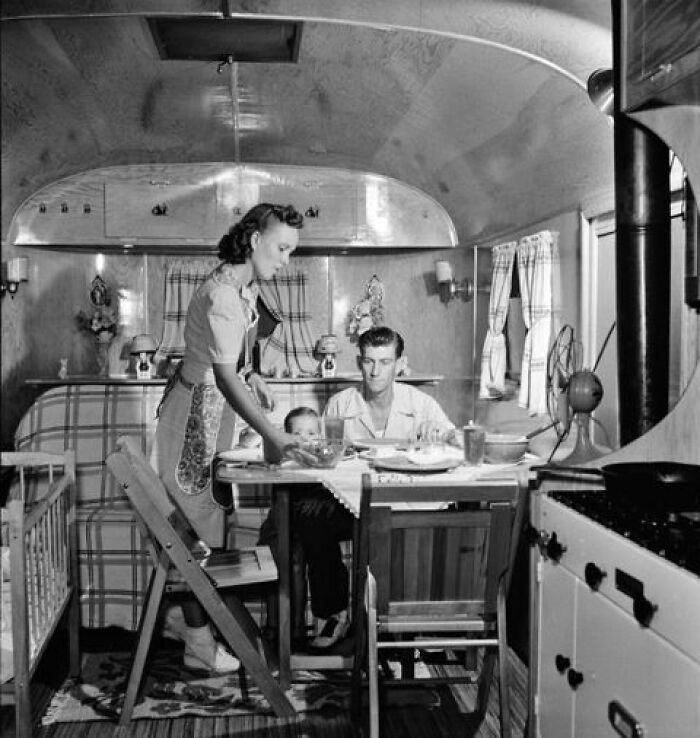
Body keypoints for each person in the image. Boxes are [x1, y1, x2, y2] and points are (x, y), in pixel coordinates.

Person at [153, 203, 304, 674]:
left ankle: (187, 624)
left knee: (211, 523)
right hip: (193, 420)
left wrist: (253, 373)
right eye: (281, 248)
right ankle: (199, 643)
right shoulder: (221, 294)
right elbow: (221, 377)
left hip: (212, 416)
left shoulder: (244, 286)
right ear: (255, 239)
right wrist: (272, 433)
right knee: (198, 534)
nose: (285, 260)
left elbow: (236, 360)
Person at [295, 326, 460, 649]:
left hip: (402, 508)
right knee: (308, 515)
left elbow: (457, 441)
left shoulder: (421, 403)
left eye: (385, 362)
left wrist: (438, 432)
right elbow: (323, 456)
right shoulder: (341, 404)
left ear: (400, 364)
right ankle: (334, 613)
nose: (375, 370)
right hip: (353, 505)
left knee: (442, 518)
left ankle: (416, 619)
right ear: (359, 362)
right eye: (369, 361)